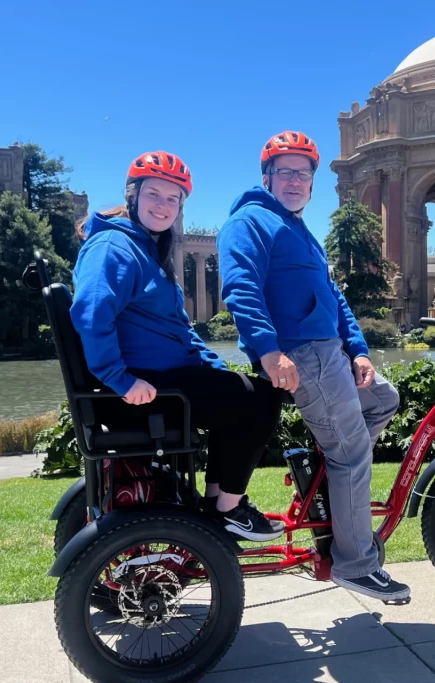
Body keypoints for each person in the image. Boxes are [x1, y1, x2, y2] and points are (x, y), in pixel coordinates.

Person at [217, 132, 410, 602]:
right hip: (301, 354)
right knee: (352, 454)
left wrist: (359, 349)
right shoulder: (250, 221)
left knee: (384, 399)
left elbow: (334, 297)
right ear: (267, 177)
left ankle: (330, 479)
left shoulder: (301, 230)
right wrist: (268, 351)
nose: (296, 180)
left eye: (304, 174)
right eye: (285, 171)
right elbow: (240, 288)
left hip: (331, 352)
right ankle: (356, 564)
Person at [70, 151, 285, 542]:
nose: (163, 206)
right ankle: (229, 508)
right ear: (133, 195)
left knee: (244, 393)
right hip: (139, 392)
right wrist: (120, 379)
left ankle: (219, 503)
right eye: (154, 194)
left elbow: (179, 332)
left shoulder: (146, 250)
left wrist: (214, 367)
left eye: (174, 199)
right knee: (264, 399)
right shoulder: (114, 248)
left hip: (161, 381)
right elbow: (90, 315)